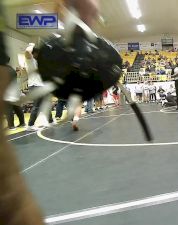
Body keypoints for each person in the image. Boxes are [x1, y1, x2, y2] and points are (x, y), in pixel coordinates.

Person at [0, 0, 99, 224]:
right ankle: (35, 122)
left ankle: (40, 121)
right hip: (35, 84)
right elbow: (27, 53)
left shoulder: (42, 62)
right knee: (12, 201)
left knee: (11, 200)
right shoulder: (33, 61)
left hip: (41, 83)